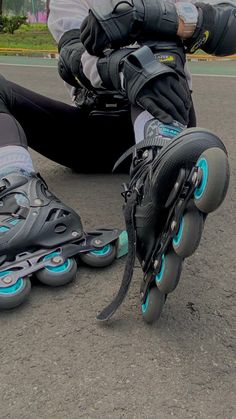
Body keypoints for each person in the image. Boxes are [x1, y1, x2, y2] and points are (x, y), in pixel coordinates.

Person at [0, 0, 234, 319]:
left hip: (163, 112)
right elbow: (71, 58)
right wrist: (124, 68)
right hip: (92, 134)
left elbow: (229, 24)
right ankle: (20, 198)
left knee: (159, 42)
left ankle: (158, 167)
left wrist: (156, 16)